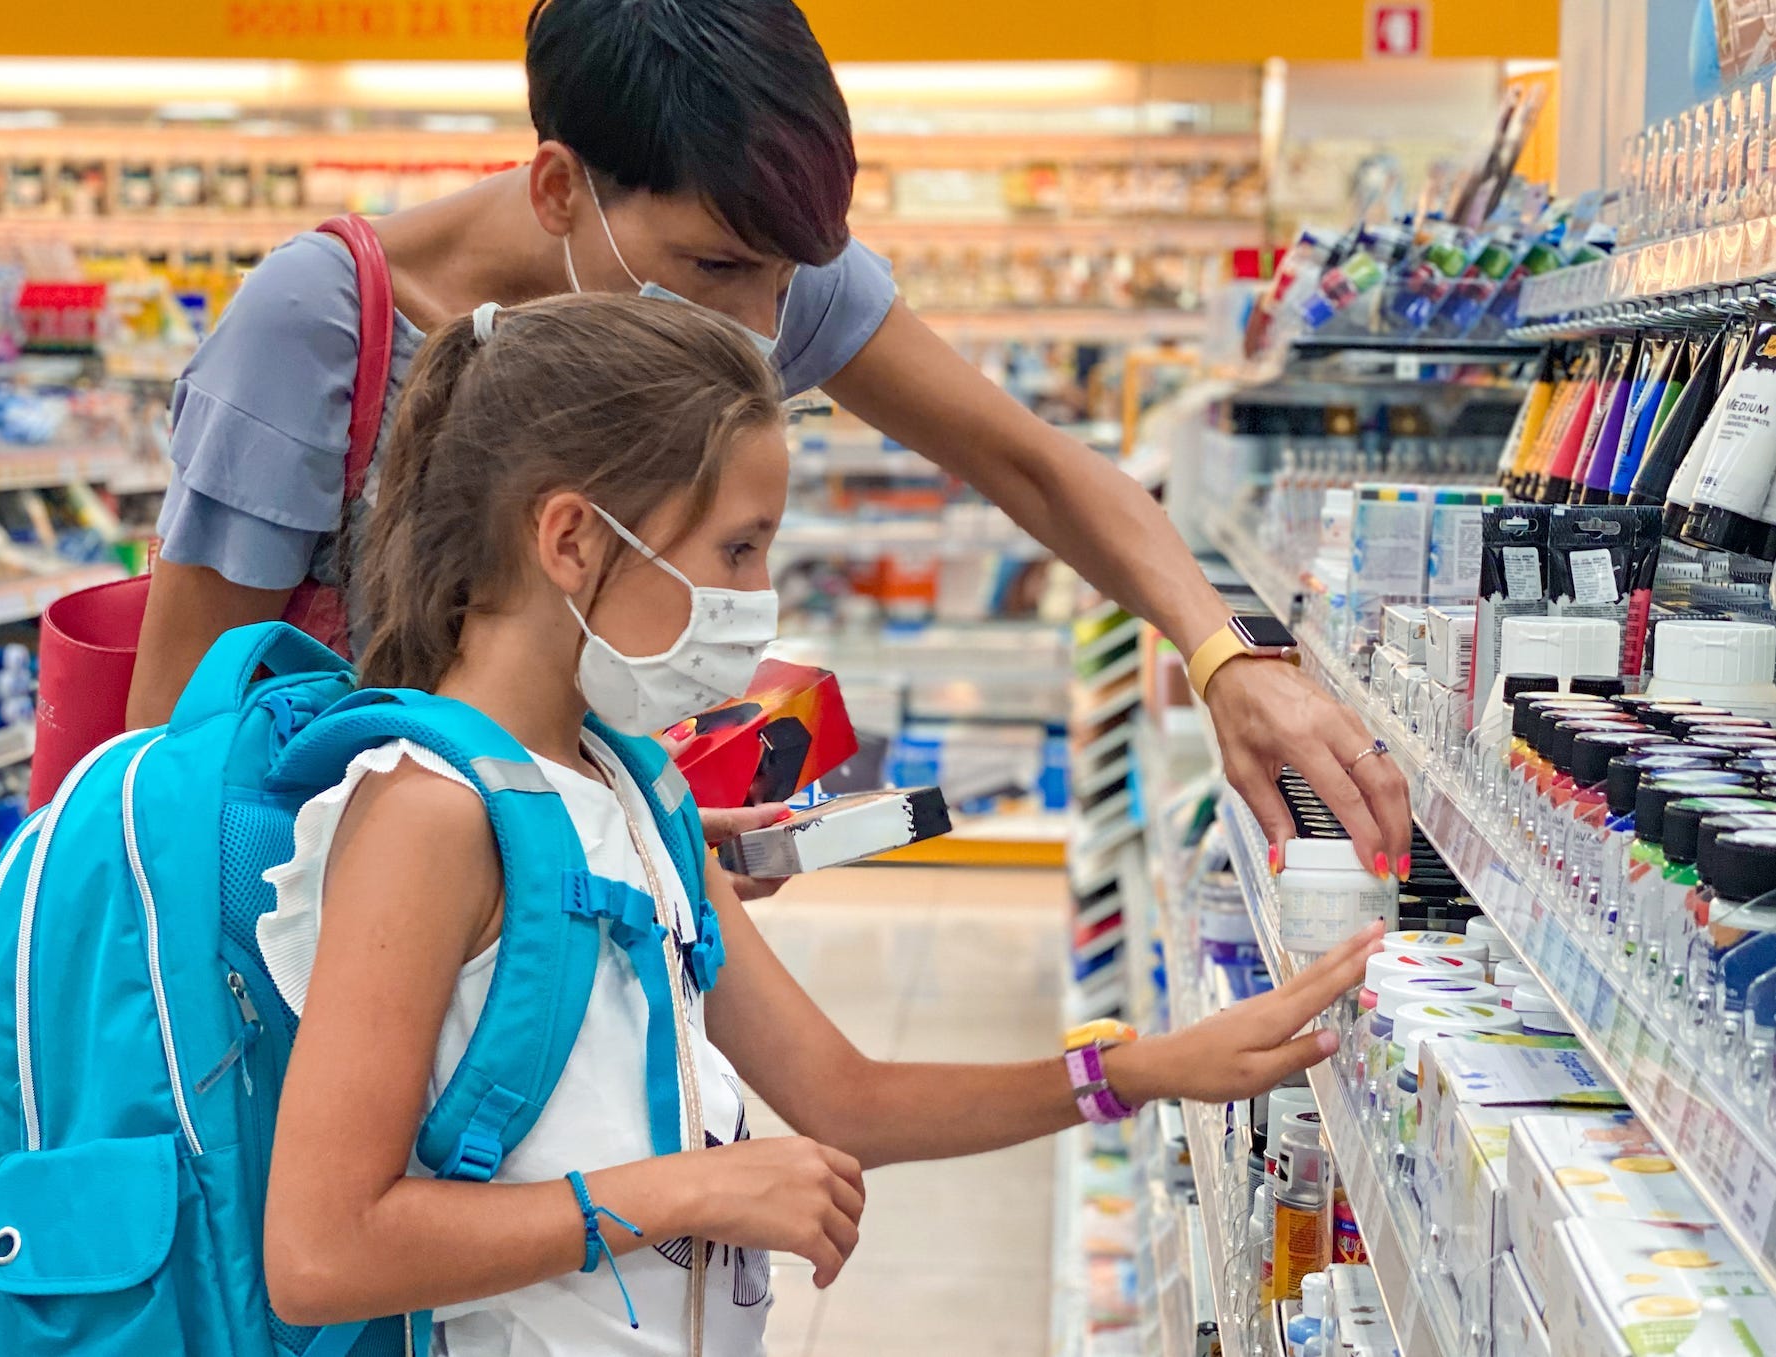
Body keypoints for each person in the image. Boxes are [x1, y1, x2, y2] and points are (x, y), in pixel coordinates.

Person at [258, 291, 1387, 1353]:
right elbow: (320, 1250)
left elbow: (846, 1098)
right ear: (572, 540)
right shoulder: (426, 814)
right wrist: (687, 1188)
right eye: (738, 548)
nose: (758, 594)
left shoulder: (630, 784)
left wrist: (1142, 1071)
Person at [124, 0, 1412, 883]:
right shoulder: (322, 324)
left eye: (791, 276)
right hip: (323, 926)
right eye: (716, 265)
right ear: (562, 187)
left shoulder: (773, 280)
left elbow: (1030, 461)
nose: (758, 330)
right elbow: (168, 746)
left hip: (552, 916)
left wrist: (1223, 653)